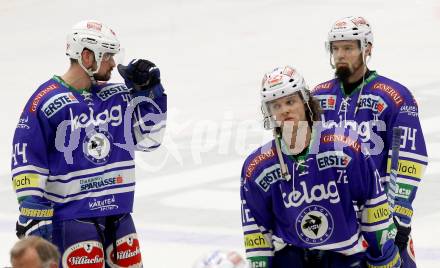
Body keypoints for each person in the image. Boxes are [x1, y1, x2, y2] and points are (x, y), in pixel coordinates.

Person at [11, 20, 167, 267]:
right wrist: (33, 214)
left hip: (119, 215)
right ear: (86, 55)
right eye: (108, 56)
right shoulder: (46, 101)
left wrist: (149, 92)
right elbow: (28, 160)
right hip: (72, 220)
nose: (114, 64)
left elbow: (150, 139)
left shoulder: (118, 96)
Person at [240, 66, 401, 268]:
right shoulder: (257, 166)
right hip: (290, 260)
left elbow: (372, 203)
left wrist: (384, 259)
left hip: (344, 258)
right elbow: (257, 228)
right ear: (268, 112)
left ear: (306, 101)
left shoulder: (345, 147)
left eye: (290, 101)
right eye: (276, 106)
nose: (284, 110)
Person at [312, 16, 428, 268]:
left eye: (348, 48)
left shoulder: (395, 95)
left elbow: (410, 158)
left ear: (367, 49)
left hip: (380, 217)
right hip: (334, 222)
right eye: (336, 48)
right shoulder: (317, 97)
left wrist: (400, 214)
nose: (341, 54)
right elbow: (305, 162)